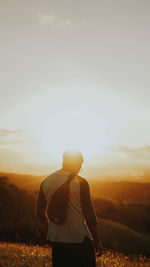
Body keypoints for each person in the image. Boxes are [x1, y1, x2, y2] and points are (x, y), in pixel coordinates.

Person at [36, 150, 103, 267]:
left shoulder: (46, 182)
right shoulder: (81, 183)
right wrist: (97, 241)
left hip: (58, 243)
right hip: (80, 241)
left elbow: (40, 214)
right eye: (80, 165)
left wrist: (53, 231)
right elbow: (90, 216)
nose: (80, 168)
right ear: (75, 163)